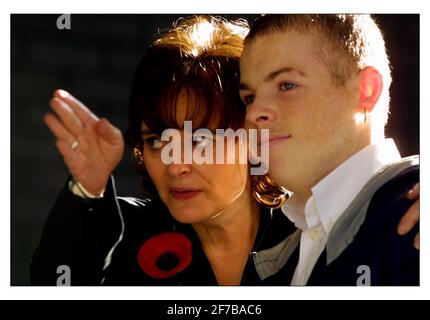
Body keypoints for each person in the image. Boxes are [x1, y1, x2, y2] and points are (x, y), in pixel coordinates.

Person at [31, 15, 419, 286]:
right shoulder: (123, 233)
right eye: (157, 141)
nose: (177, 164)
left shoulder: (313, 224)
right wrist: (88, 188)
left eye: (202, 139)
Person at [239, 14, 419, 285]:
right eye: (249, 98)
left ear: (367, 90)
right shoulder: (271, 267)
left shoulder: (415, 217)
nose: (254, 113)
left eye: (286, 85)